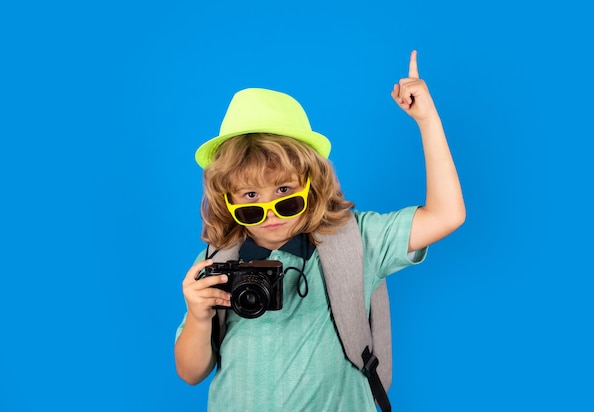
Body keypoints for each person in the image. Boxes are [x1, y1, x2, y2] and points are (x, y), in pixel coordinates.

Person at [174, 50, 465, 411]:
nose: (270, 213)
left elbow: (446, 214)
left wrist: (427, 120)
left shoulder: (357, 239)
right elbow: (190, 372)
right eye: (251, 197)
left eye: (284, 192)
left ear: (312, 183)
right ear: (227, 201)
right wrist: (199, 315)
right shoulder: (219, 261)